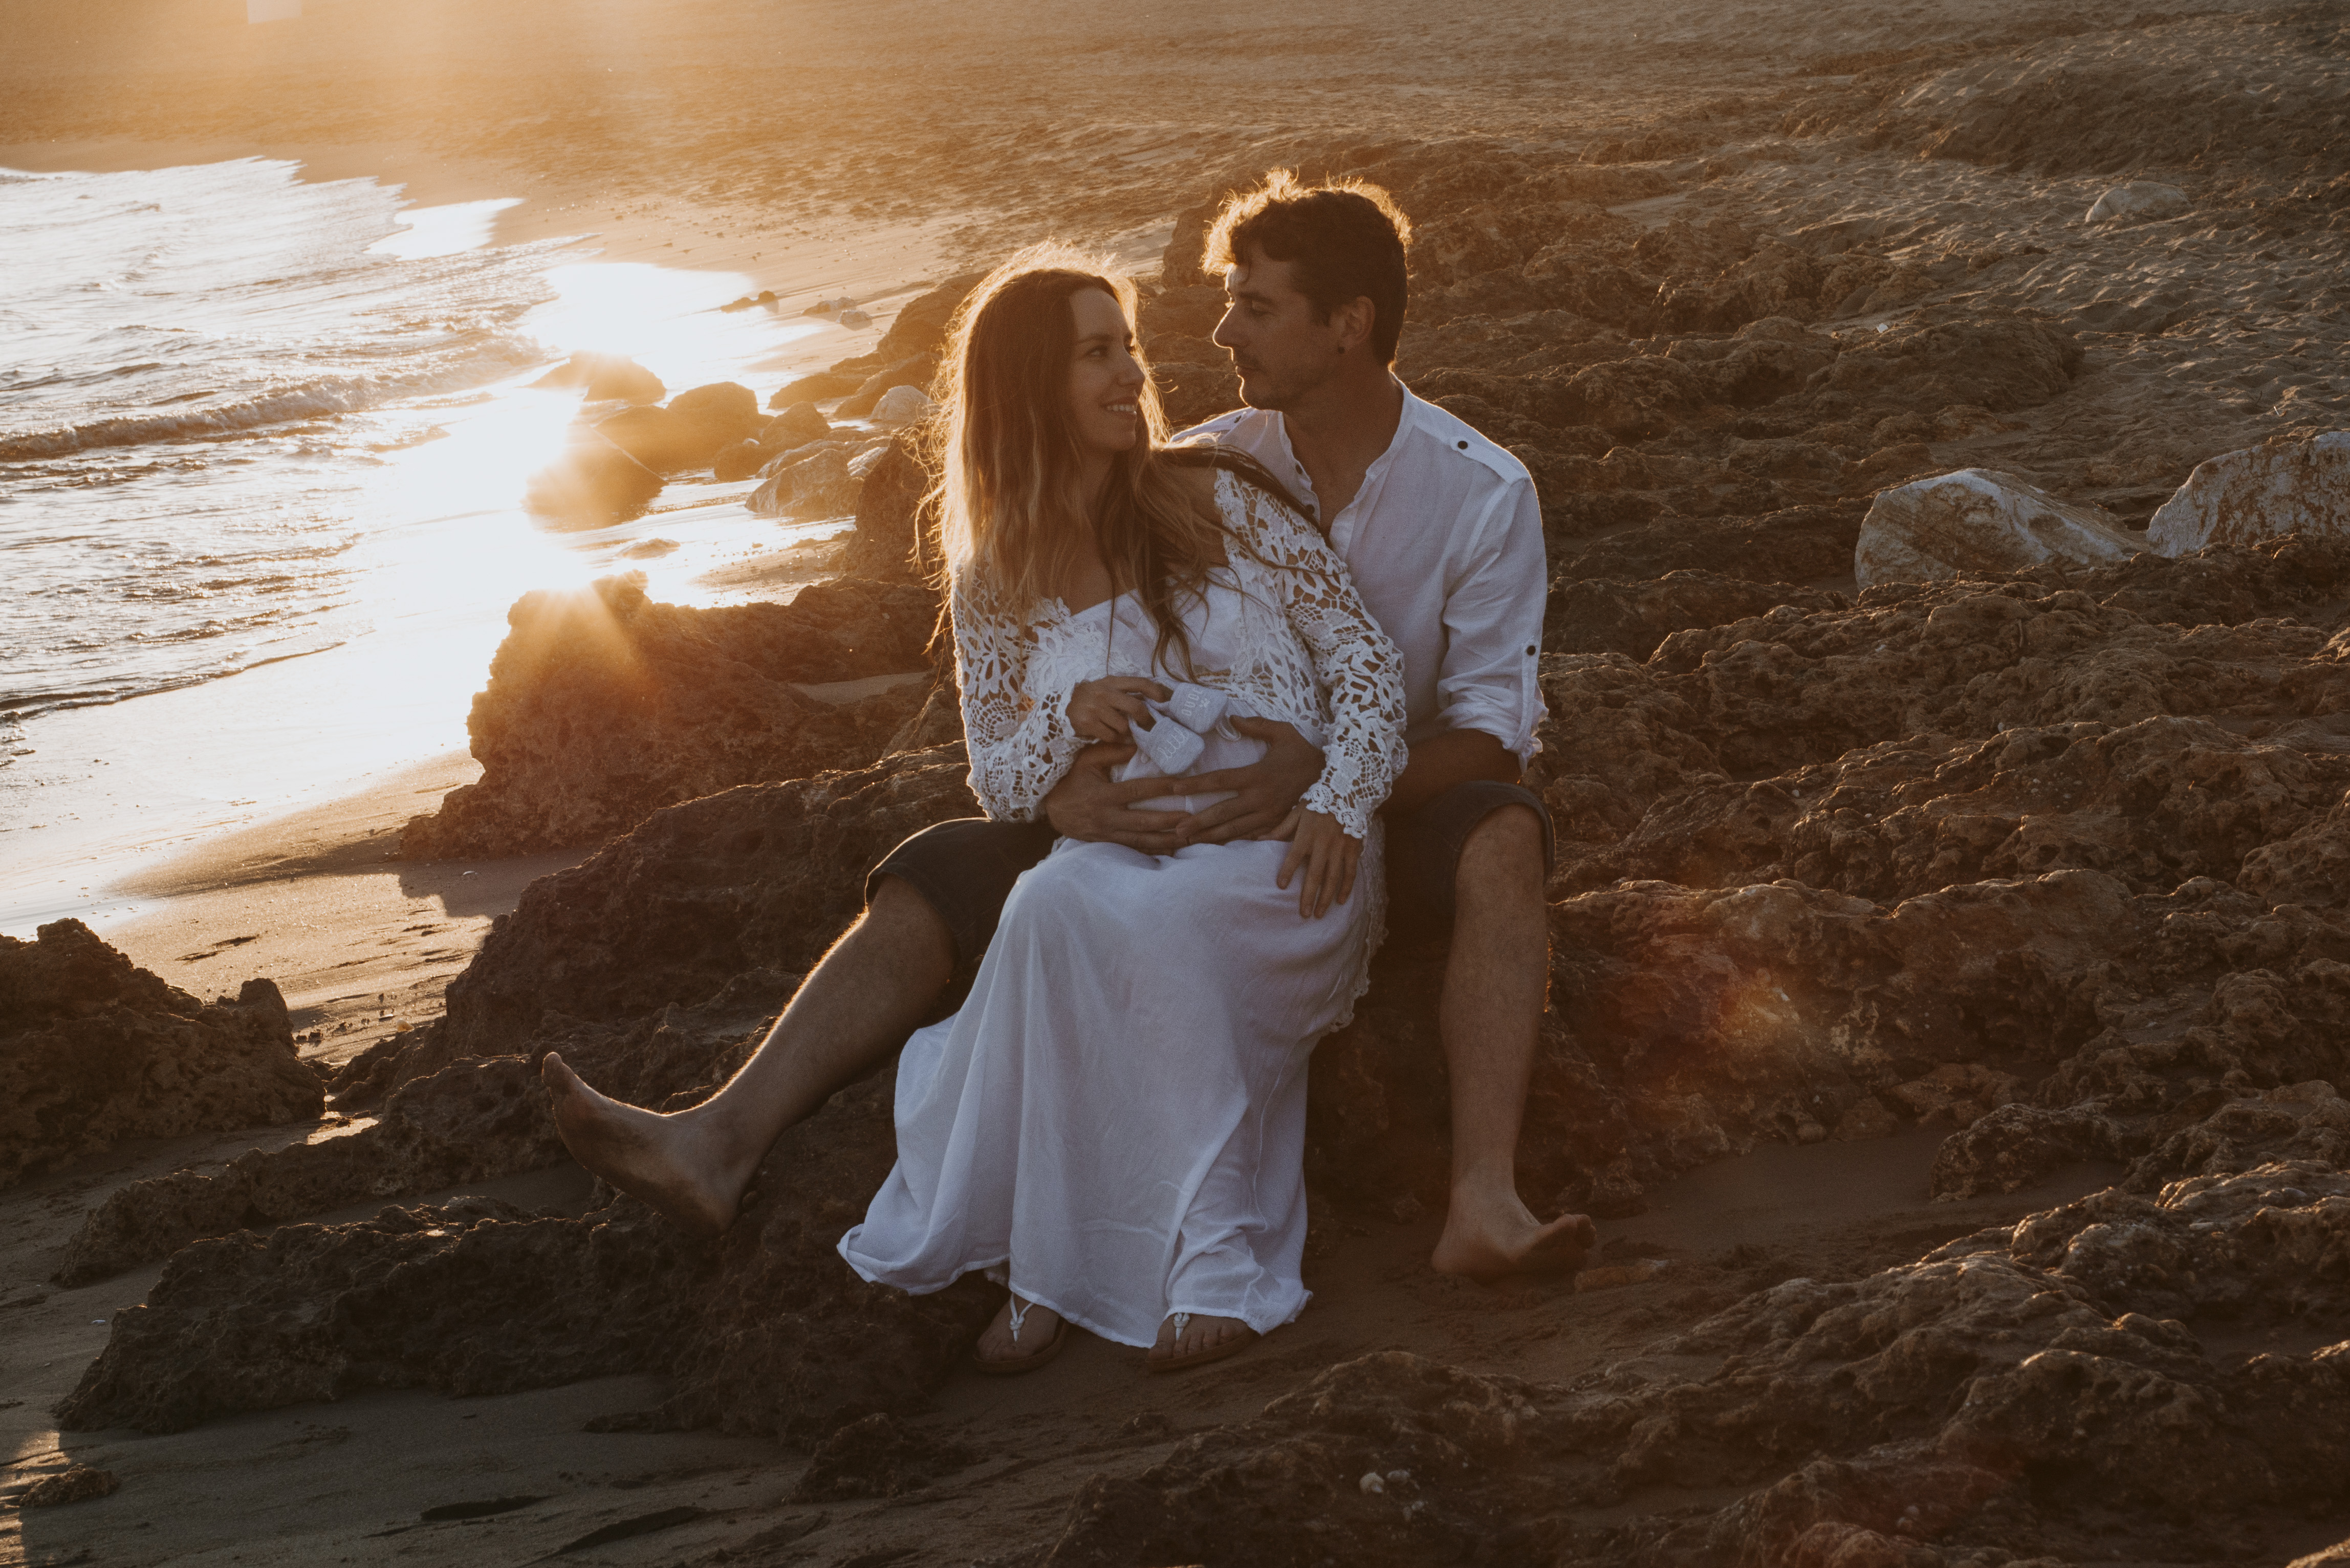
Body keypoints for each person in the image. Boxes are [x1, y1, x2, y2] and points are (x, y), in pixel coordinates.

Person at [542, 170, 1595, 1308]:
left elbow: (1489, 734)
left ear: (1348, 325)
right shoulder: (1210, 461)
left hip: (1390, 799)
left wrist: (1327, 780)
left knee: (1505, 831)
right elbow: (1055, 694)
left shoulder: (1480, 493)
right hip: (1168, 801)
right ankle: (721, 1137)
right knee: (935, 870)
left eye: (1255, 307)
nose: (1216, 335)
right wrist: (1064, 798)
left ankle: (1482, 1197)